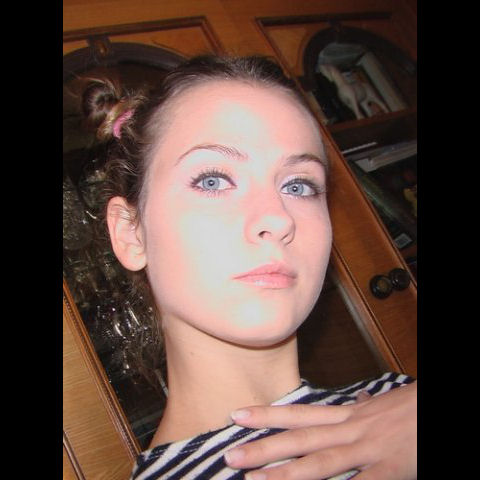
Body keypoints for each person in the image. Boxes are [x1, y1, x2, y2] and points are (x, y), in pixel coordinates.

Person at [81, 55, 417, 480]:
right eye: (213, 180)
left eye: (299, 185)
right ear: (132, 233)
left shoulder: (394, 400)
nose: (277, 217)